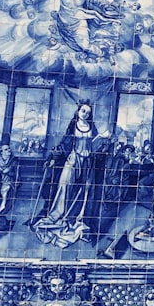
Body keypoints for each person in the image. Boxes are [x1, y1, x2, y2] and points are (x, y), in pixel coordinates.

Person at [34, 101, 111, 248]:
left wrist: (102, 140)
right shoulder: (73, 127)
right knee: (65, 186)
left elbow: (96, 146)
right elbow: (64, 144)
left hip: (87, 162)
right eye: (83, 111)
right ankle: (58, 214)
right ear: (78, 112)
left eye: (88, 112)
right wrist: (53, 156)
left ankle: (76, 217)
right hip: (73, 160)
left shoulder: (91, 128)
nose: (85, 114)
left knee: (84, 191)